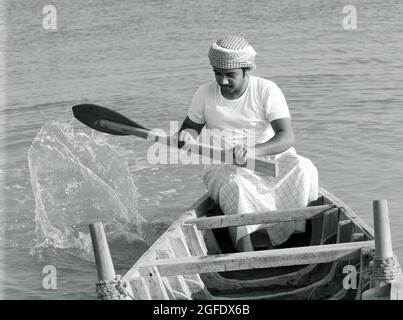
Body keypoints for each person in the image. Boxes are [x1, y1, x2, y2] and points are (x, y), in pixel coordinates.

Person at [173, 36, 318, 252]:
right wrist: (186, 136)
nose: (222, 81)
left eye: (230, 75)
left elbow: (286, 137)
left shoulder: (266, 90)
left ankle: (295, 238)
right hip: (224, 165)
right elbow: (189, 128)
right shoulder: (204, 93)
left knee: (303, 168)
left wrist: (252, 152)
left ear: (246, 70)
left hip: (267, 159)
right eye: (217, 73)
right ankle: (245, 251)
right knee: (237, 186)